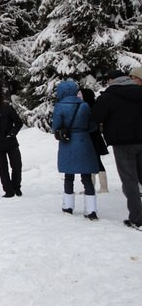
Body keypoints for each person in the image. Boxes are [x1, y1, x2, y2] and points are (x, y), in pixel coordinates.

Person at [92, 70, 142, 230]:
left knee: (130, 180)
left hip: (122, 143)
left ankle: (137, 218)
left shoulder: (108, 97)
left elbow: (95, 118)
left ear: (111, 80)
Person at [53, 81, 99, 220]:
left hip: (67, 142)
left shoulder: (59, 107)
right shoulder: (84, 105)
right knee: (86, 176)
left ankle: (68, 206)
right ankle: (91, 209)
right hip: (84, 141)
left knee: (69, 175)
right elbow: (92, 125)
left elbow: (55, 127)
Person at [79, 88, 109, 193]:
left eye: (80, 94)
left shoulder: (89, 107)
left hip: (93, 137)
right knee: (90, 161)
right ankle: (91, 185)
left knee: (96, 160)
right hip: (91, 136)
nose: (78, 96)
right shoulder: (89, 105)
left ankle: (103, 186)